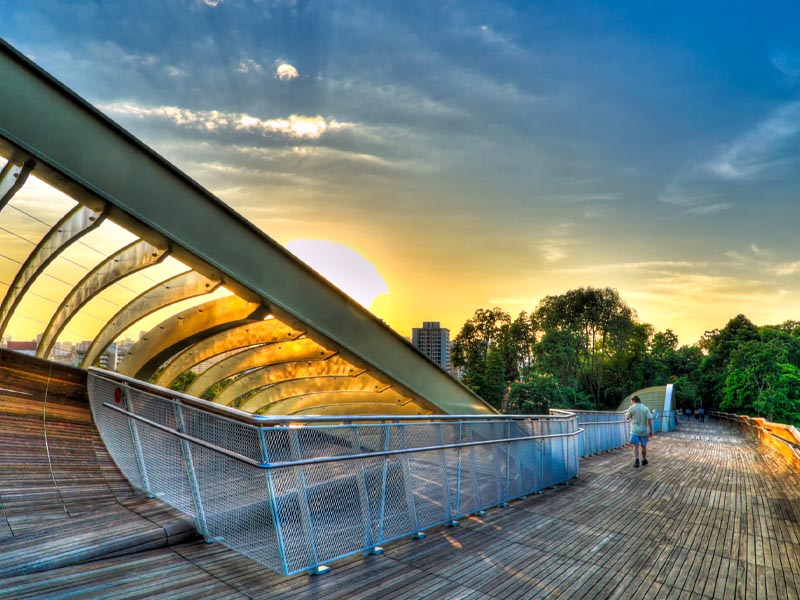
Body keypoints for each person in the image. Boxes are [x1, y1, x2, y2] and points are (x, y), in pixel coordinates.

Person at [624, 395, 653, 468]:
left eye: (631, 402)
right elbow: (649, 419)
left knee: (636, 446)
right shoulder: (645, 408)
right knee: (643, 446)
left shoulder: (631, 408)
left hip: (635, 431)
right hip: (644, 431)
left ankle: (637, 460)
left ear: (633, 401)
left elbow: (627, 417)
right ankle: (643, 459)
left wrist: (626, 413)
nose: (631, 403)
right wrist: (651, 430)